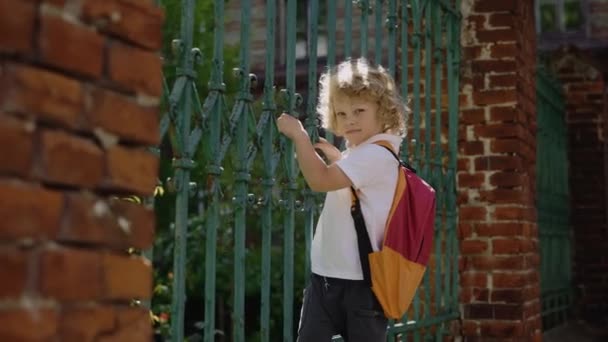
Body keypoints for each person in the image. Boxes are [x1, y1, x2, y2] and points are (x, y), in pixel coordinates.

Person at [276, 58, 409, 342]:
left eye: (359, 111)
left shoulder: (374, 154)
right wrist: (338, 159)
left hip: (359, 285)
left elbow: (320, 181)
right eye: (342, 113)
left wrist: (299, 136)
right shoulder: (362, 154)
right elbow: (356, 193)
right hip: (328, 276)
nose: (349, 119)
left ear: (383, 111)